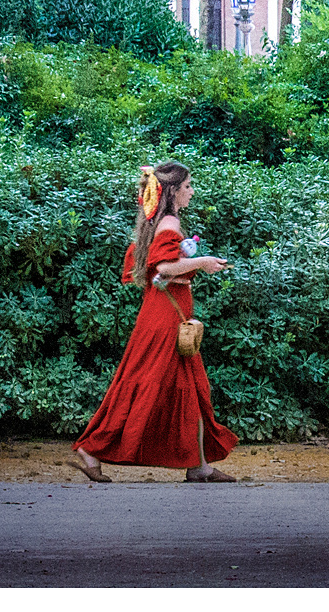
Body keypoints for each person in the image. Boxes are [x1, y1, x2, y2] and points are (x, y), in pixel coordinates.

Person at [70, 161, 240, 483]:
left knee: (190, 388)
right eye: (188, 186)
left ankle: (199, 465)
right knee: (142, 384)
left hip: (165, 315)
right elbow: (163, 266)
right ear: (174, 191)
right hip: (165, 319)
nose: (192, 191)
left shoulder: (159, 221)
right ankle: (90, 450)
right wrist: (202, 262)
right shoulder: (170, 223)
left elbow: (163, 265)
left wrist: (189, 259)